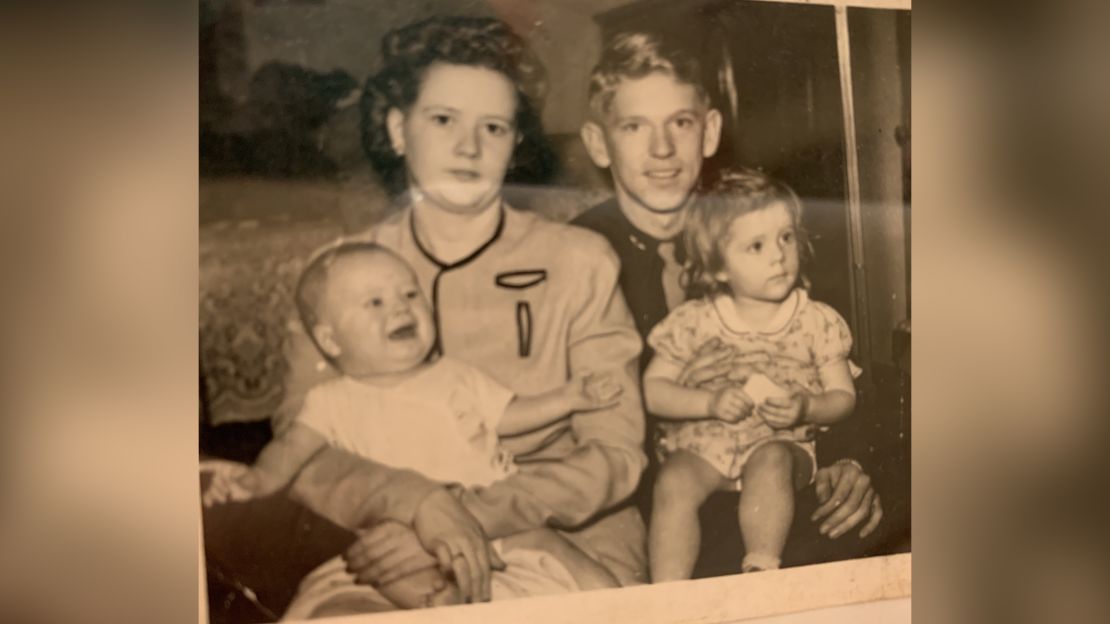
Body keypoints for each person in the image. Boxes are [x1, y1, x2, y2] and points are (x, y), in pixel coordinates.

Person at [208, 16, 648, 617]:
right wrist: (414, 505)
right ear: (397, 129)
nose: (469, 148)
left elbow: (615, 454)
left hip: (568, 536)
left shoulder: (579, 261)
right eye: (443, 120)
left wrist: (463, 513)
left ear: (515, 143)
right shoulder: (334, 275)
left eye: (493, 127)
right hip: (382, 537)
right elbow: (302, 446)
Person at [570, 31, 882, 575]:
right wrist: (696, 396)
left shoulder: (756, 234)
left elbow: (839, 366)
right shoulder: (575, 258)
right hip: (662, 494)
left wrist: (851, 457)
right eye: (635, 127)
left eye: (681, 123)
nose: (662, 149)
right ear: (600, 144)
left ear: (709, 131)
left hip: (778, 469)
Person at [204, 242, 623, 608]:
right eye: (375, 303)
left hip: (487, 516)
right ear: (331, 341)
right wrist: (257, 480)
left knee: (581, 570)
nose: (402, 307)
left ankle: (634, 604)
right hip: (397, 533)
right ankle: (441, 598)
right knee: (382, 566)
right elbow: (291, 448)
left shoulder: (456, 375)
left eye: (409, 293)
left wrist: (570, 398)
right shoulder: (331, 400)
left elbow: (510, 415)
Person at [644, 169, 857, 580]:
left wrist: (807, 407)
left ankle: (761, 570)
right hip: (708, 444)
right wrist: (708, 402)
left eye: (786, 237)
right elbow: (654, 391)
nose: (778, 255)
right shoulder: (695, 321)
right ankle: (667, 594)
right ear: (719, 267)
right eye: (756, 246)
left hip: (781, 442)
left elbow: (843, 397)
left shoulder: (818, 321)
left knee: (771, 460)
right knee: (673, 482)